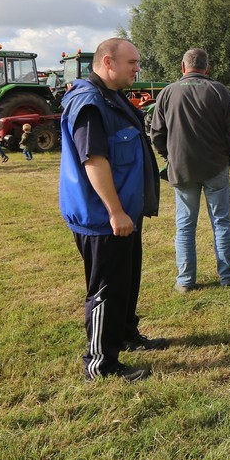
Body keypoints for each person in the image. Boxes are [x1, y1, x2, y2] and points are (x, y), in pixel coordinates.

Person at [59, 38, 164, 382]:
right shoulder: (90, 102)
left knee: (127, 281)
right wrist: (115, 212)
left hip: (125, 214)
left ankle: (126, 335)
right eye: (132, 62)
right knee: (108, 289)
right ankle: (100, 364)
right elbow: (94, 160)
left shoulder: (112, 96)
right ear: (108, 62)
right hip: (104, 218)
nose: (137, 68)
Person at [149, 47, 230, 292]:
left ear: (183, 67)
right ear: (207, 68)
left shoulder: (167, 93)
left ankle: (185, 280)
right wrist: (228, 160)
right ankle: (227, 275)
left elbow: (157, 134)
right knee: (221, 223)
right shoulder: (219, 91)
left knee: (185, 225)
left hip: (182, 169)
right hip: (216, 167)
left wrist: (170, 158)